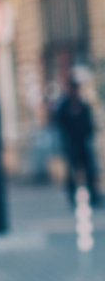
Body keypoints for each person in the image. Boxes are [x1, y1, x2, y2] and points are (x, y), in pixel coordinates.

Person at [54, 77, 100, 207]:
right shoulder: (64, 106)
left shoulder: (83, 105)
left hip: (83, 143)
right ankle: (72, 197)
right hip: (71, 144)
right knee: (72, 173)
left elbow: (90, 124)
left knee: (89, 171)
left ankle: (94, 197)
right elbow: (60, 125)